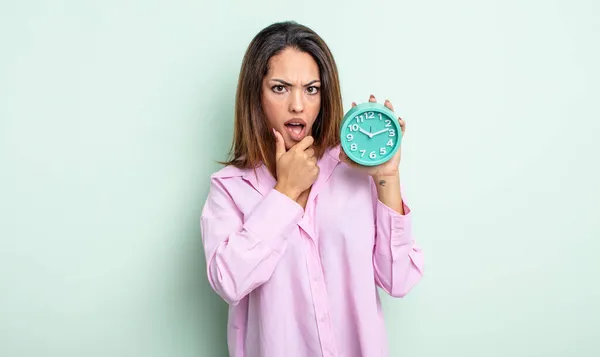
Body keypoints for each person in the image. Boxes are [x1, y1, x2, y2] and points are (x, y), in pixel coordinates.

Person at [199, 20, 424, 357]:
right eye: (280, 88)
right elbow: (228, 281)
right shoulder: (231, 188)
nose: (298, 105)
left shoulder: (353, 171)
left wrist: (387, 177)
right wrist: (285, 194)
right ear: (255, 95)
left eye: (311, 89)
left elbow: (399, 279)